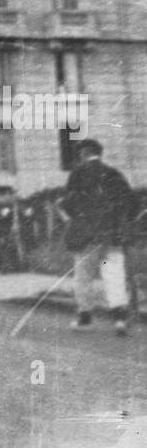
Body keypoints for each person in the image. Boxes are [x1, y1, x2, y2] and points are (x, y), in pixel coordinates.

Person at [61, 138, 135, 335]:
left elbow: (70, 205)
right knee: (114, 276)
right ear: (99, 154)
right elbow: (130, 204)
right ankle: (120, 319)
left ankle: (85, 318)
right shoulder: (114, 174)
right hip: (111, 237)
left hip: (85, 238)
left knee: (83, 277)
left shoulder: (77, 175)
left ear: (82, 154)